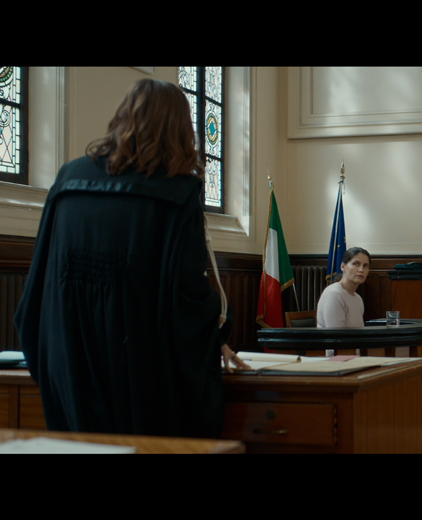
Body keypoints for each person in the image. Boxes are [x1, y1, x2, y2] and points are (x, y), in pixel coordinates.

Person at [13, 78, 247, 438]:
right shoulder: (177, 191)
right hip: (138, 374)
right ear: (180, 129)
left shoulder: (68, 179)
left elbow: (38, 283)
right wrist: (216, 336)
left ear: (121, 117)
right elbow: (186, 297)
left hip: (70, 362)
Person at [317, 247, 370, 328]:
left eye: (365, 266)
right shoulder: (334, 294)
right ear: (343, 267)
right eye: (356, 264)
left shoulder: (358, 298)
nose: (361, 270)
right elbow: (336, 334)